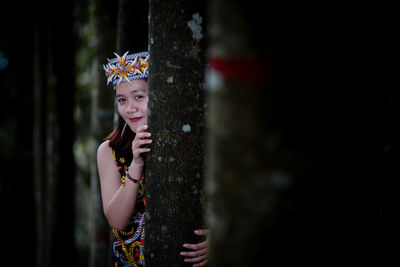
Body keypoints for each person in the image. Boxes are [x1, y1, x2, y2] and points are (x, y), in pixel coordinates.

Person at [97, 51, 209, 267]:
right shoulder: (109, 150)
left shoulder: (195, 141)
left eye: (139, 97)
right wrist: (136, 163)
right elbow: (116, 221)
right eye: (122, 100)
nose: (130, 108)